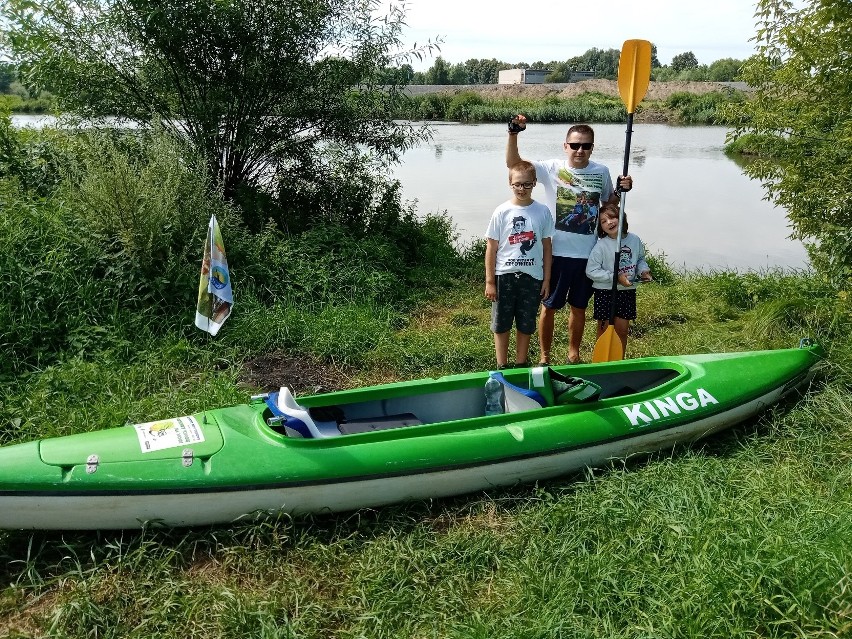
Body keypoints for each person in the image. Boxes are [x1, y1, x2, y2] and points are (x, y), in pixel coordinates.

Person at [506, 114, 633, 364]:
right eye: (575, 145)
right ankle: (544, 356)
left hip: (588, 254)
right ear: (566, 146)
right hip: (555, 254)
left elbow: (609, 204)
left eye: (586, 145)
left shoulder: (601, 172)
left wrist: (621, 190)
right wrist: (513, 134)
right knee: (549, 306)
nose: (580, 150)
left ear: (592, 148)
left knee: (579, 307)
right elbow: (514, 165)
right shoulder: (552, 168)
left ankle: (573, 353)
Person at [485, 160, 554, 369]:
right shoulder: (501, 211)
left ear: (534, 183)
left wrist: (546, 279)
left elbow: (547, 247)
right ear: (510, 183)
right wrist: (490, 281)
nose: (521, 188)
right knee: (501, 323)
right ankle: (502, 365)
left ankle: (521, 363)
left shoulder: (542, 212)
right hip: (504, 276)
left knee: (526, 323)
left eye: (526, 184)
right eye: (517, 184)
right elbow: (491, 247)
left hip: (532, 277)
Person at [585, 203, 651, 358]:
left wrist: (643, 271)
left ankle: (619, 359)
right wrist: (615, 277)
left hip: (627, 291)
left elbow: (640, 259)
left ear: (622, 218)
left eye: (612, 217)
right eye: (603, 221)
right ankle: (601, 360)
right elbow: (591, 271)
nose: (609, 222)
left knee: (621, 330)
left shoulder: (634, 240)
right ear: (601, 227)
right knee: (604, 329)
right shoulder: (601, 246)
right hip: (605, 292)